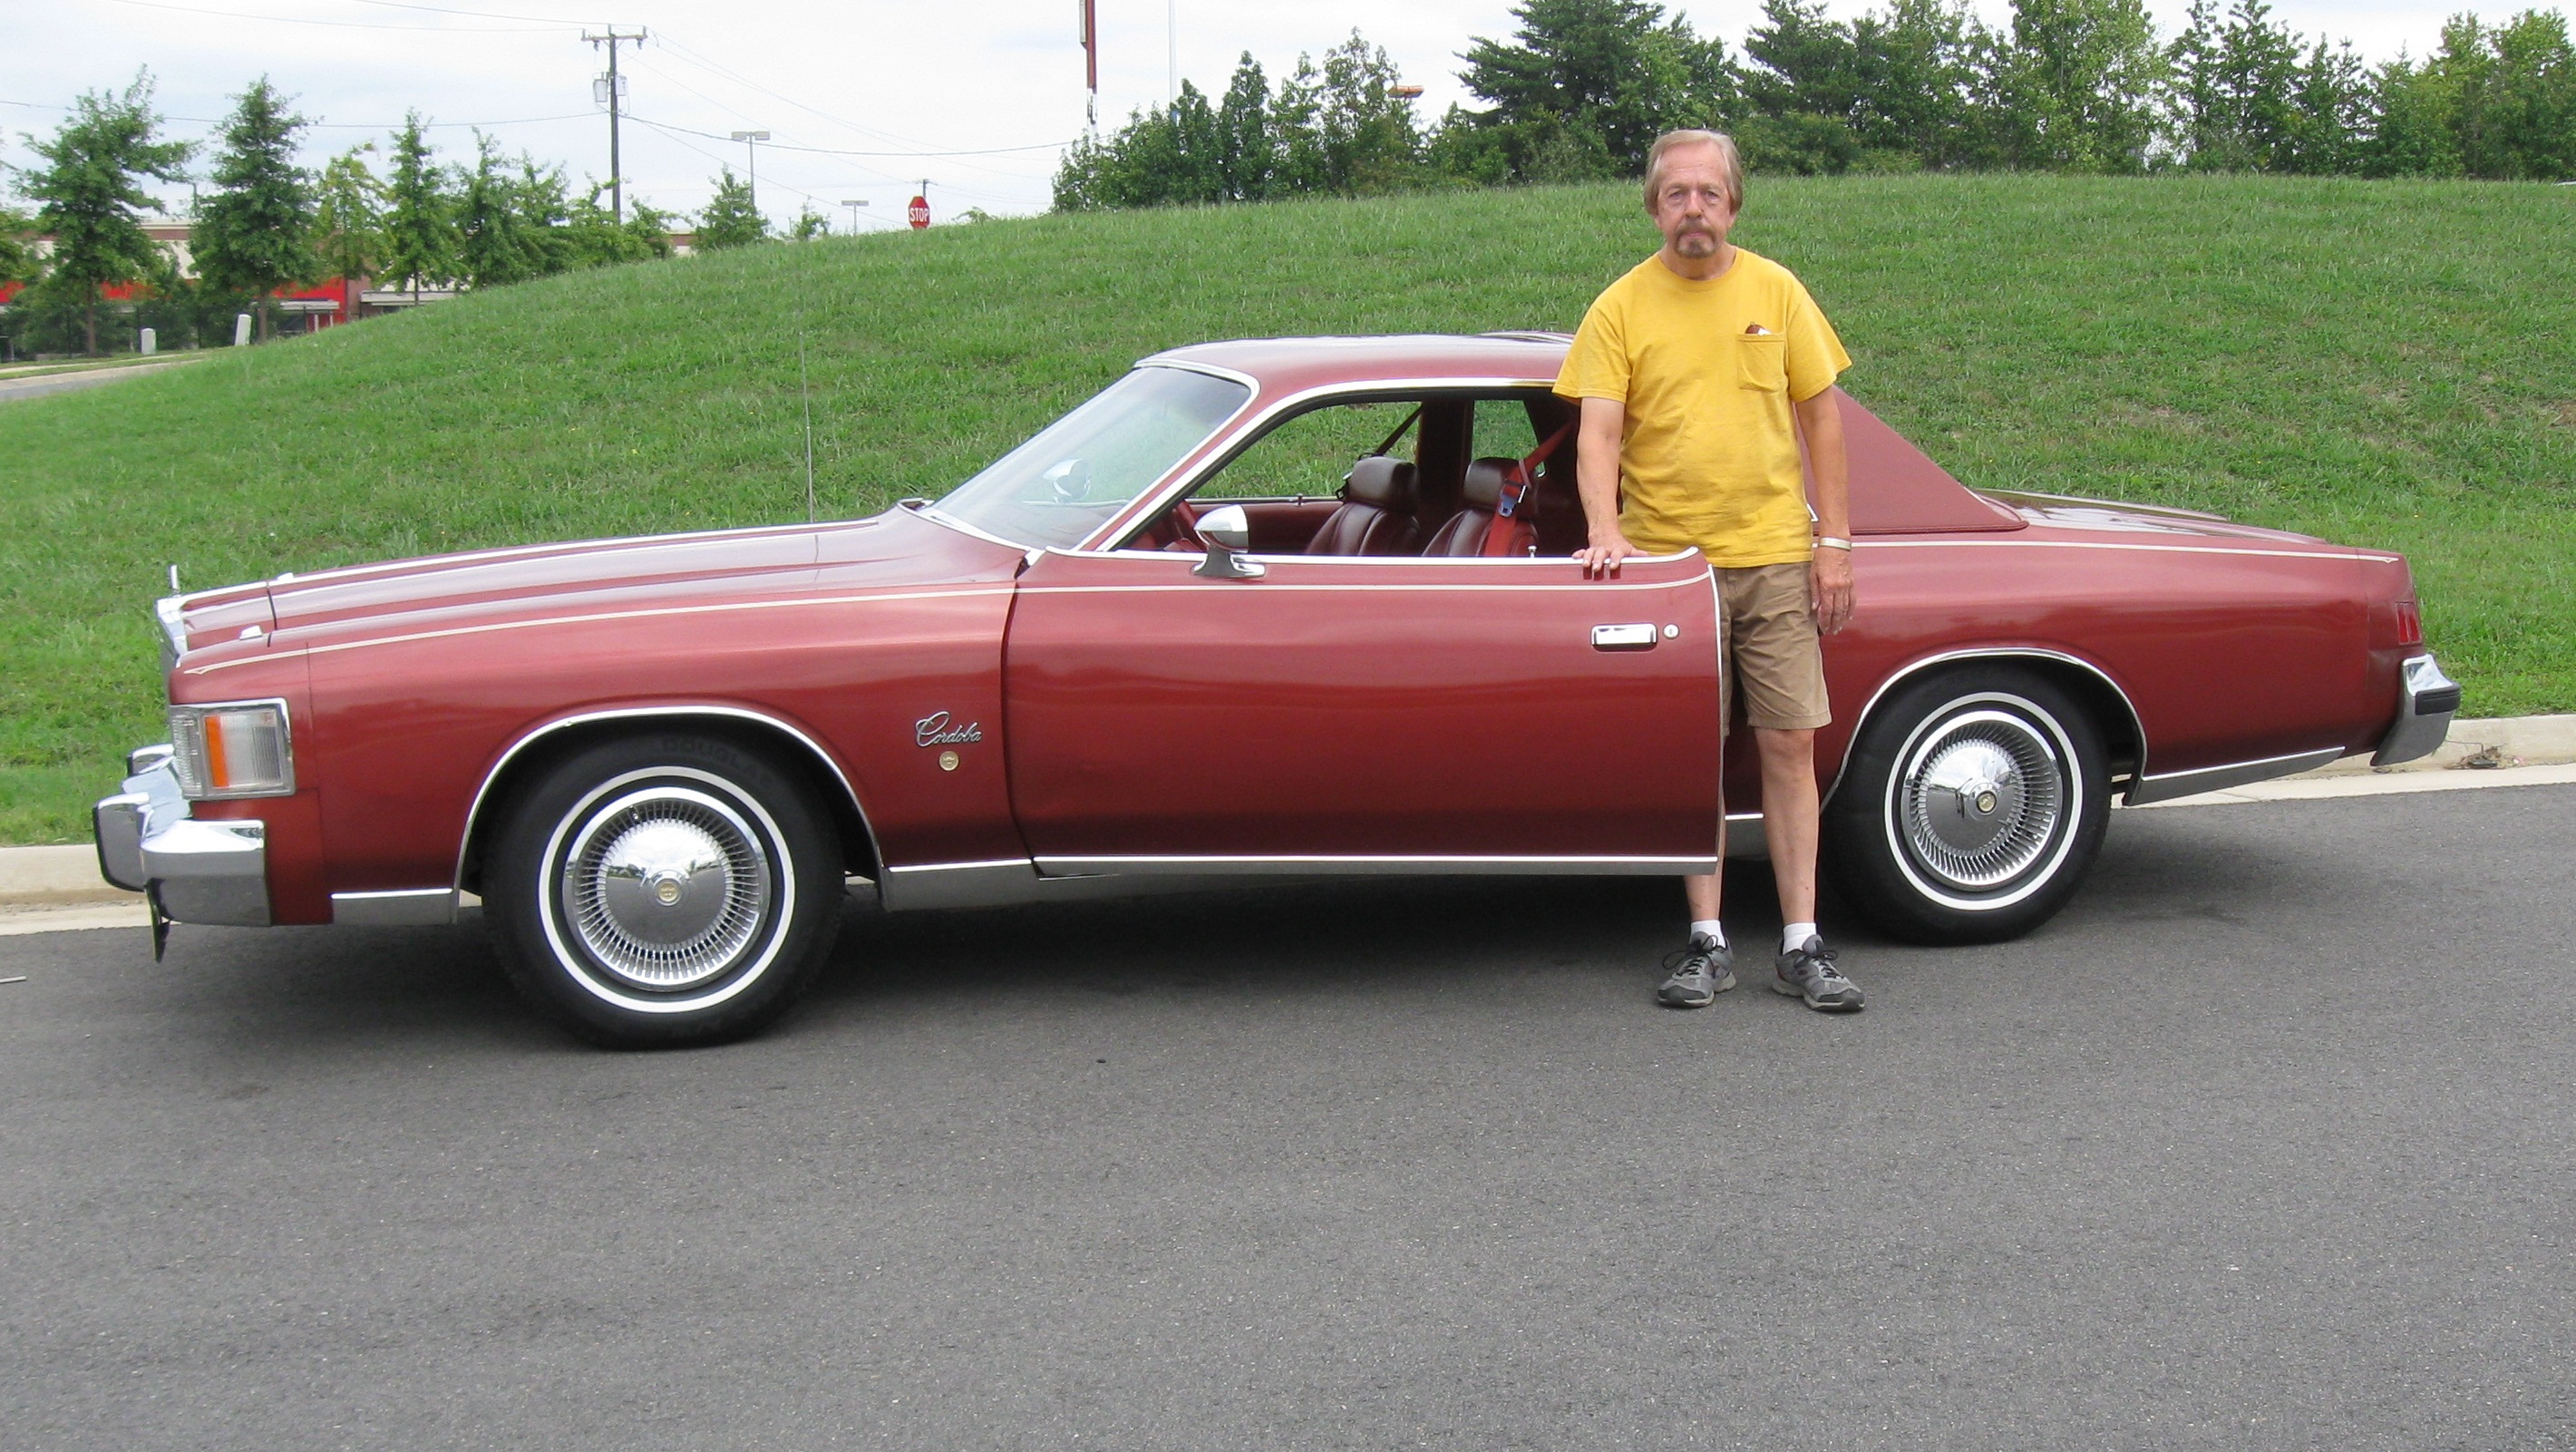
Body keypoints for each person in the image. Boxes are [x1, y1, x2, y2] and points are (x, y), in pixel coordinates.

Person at [1553, 129, 1864, 1014]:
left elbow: (1823, 424)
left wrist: (1833, 543)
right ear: (1654, 206)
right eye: (1677, 194)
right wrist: (1606, 528)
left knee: (1787, 743)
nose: (1694, 208)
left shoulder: (1779, 291)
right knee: (1697, 755)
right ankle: (1706, 938)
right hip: (1670, 569)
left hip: (1772, 552)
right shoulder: (1619, 307)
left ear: (1735, 204)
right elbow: (1599, 432)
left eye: (1709, 193)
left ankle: (1802, 941)